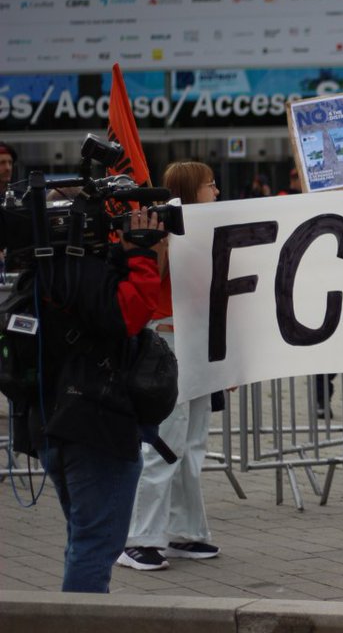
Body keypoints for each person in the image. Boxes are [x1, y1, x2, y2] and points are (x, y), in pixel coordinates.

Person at [8, 201, 165, 592]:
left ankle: (74, 613)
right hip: (94, 429)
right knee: (95, 545)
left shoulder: (41, 272)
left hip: (50, 425)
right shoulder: (84, 273)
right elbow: (131, 314)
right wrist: (143, 256)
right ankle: (81, 617)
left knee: (83, 539)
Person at [119, 163, 222, 570]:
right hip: (169, 337)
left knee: (193, 442)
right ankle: (139, 537)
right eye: (210, 184)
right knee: (166, 439)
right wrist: (159, 244)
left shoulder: (210, 231)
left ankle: (184, 530)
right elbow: (153, 281)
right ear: (191, 190)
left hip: (197, 340)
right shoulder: (164, 229)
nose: (216, 190)